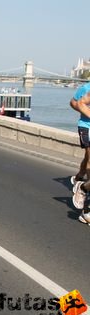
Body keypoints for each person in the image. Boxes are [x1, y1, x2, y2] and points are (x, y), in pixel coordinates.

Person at [69, 82, 90, 224]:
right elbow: (75, 102)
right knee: (89, 157)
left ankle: (81, 182)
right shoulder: (86, 88)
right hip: (86, 126)